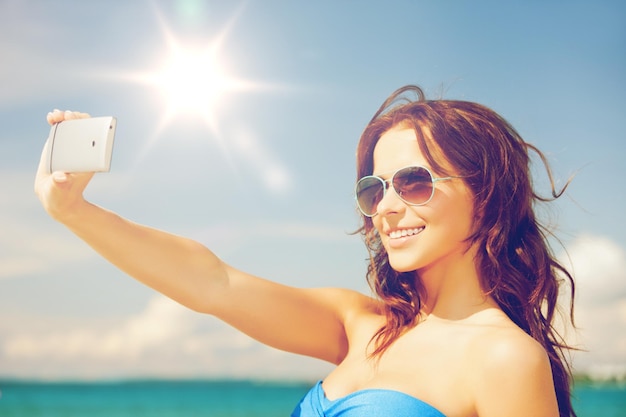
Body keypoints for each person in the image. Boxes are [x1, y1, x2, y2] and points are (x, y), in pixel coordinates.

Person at [35, 85, 577, 417]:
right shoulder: (362, 323)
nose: (386, 207)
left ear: (487, 196)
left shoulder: (506, 360)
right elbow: (212, 283)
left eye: (414, 182)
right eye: (375, 189)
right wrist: (73, 211)